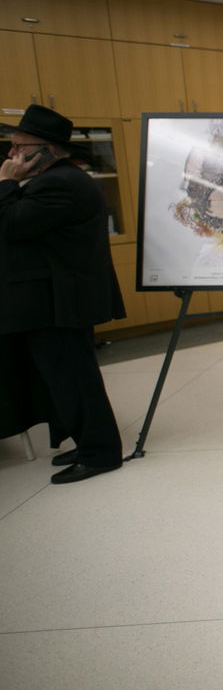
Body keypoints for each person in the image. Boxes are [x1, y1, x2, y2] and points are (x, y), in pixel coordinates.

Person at [0, 105, 126, 483]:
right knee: (67, 378)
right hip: (54, 299)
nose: (11, 155)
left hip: (61, 302)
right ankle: (89, 442)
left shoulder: (60, 183)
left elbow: (14, 225)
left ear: (47, 150)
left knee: (74, 379)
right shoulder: (56, 179)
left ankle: (101, 453)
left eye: (19, 147)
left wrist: (4, 183)